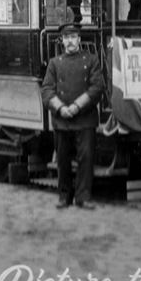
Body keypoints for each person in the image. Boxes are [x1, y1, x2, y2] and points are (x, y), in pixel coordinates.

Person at [40, 23, 104, 210]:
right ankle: (64, 196)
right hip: (62, 121)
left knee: (86, 159)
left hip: (85, 119)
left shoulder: (91, 60)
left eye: (73, 37)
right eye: (66, 38)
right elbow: (47, 90)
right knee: (62, 160)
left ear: (79, 39)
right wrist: (61, 109)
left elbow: (97, 87)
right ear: (62, 41)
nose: (70, 41)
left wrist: (77, 106)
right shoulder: (55, 63)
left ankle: (83, 197)